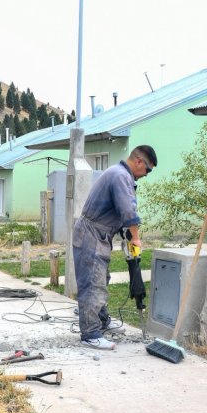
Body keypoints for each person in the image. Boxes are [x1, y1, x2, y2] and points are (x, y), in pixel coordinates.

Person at [73, 145, 157, 350]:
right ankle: (90, 333)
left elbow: (118, 212)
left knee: (101, 279)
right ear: (138, 162)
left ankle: (102, 321)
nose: (146, 175)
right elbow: (128, 211)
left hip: (98, 234)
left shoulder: (118, 174)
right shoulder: (120, 176)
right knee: (93, 284)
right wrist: (135, 238)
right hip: (92, 235)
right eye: (148, 170)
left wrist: (125, 233)